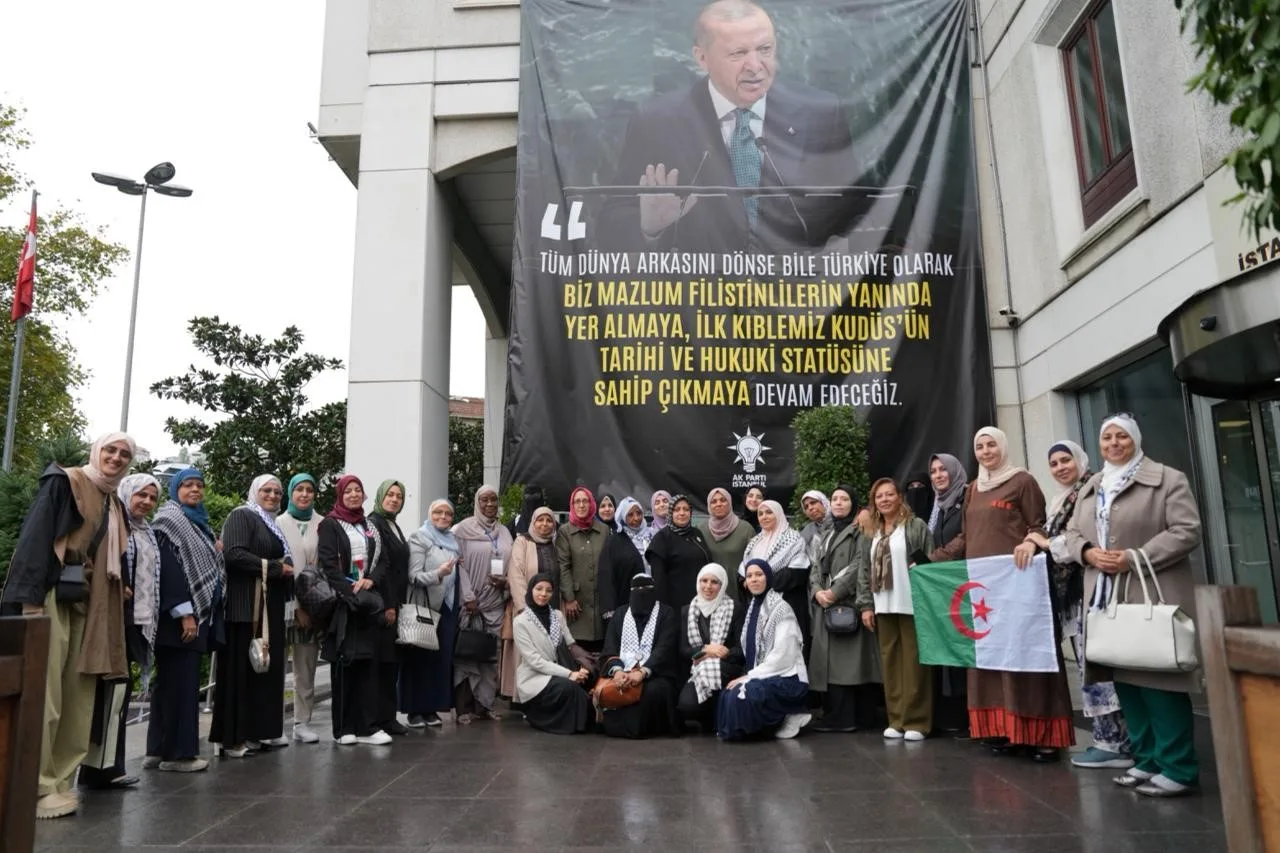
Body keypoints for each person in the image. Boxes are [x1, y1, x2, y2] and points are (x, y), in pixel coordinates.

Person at [599, 0, 857, 253]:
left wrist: (841, 240)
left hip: (795, 278)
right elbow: (611, 222)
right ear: (702, 58)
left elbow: (855, 209)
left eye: (764, 49)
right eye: (738, 53)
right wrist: (649, 227)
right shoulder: (658, 121)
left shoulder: (819, 113)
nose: (755, 66)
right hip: (701, 279)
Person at [1065, 415, 1203, 797]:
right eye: (1106, 437)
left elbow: (1187, 530)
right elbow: (1072, 531)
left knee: (1160, 682)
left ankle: (1178, 767)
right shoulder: (1094, 484)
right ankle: (1146, 760)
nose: (1113, 443)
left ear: (1136, 440)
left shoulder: (1167, 479)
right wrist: (1087, 552)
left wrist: (1135, 557)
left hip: (1151, 592)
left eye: (1121, 436)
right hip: (1106, 596)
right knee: (1125, 680)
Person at [1, 432, 134, 818]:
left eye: (124, 454)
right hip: (52, 595)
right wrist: (28, 604)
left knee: (79, 693)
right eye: (110, 449)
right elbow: (36, 538)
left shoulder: (114, 502)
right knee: (46, 692)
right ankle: (36, 787)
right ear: (97, 450)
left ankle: (59, 779)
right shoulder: (66, 481)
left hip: (92, 602)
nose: (116, 457)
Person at [932, 427, 1075, 761]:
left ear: (1003, 446)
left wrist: (1030, 542)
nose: (986, 451)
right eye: (979, 446)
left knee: (1029, 656)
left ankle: (1042, 735)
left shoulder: (1022, 481)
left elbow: (1039, 526)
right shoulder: (972, 489)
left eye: (991, 444)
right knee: (994, 658)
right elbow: (966, 537)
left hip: (1020, 586)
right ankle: (1009, 730)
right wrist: (930, 562)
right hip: (985, 590)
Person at [1023, 441, 1132, 770]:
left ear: (1080, 460)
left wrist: (1045, 542)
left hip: (1091, 591)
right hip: (1071, 596)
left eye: (1065, 460)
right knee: (1087, 667)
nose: (1060, 468)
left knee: (1097, 667)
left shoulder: (1092, 490)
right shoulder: (1063, 498)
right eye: (1053, 463)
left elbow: (1083, 539)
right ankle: (1107, 738)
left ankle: (1115, 742)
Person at [79, 473, 161, 790]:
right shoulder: (115, 523)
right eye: (141, 495)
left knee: (118, 695)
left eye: (152, 497)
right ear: (127, 493)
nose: (146, 502)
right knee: (108, 693)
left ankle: (107, 766)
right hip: (111, 618)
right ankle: (99, 768)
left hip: (134, 621)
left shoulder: (146, 531)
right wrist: (120, 586)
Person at [146, 468, 222, 773]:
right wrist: (185, 613)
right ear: (176, 489)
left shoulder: (198, 522)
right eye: (187, 485)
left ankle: (158, 749)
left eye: (199, 485)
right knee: (180, 684)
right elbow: (170, 569)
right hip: (179, 618)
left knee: (171, 683)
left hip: (189, 617)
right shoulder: (170, 520)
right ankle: (179, 755)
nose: (195, 490)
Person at [214, 474, 294, 757]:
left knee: (262, 671)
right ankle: (234, 738)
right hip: (245, 609)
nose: (272, 496)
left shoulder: (269, 522)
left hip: (267, 608)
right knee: (241, 673)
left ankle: (256, 733)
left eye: (277, 492)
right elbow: (234, 555)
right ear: (254, 492)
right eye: (266, 490)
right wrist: (276, 568)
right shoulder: (242, 516)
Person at [855, 479, 934, 740]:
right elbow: (864, 571)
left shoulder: (915, 526)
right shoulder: (872, 532)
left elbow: (928, 561)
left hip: (911, 603)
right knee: (890, 663)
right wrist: (866, 606)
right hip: (883, 605)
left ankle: (917, 722)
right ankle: (896, 719)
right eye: (879, 496)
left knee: (914, 664)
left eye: (889, 494)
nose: (885, 500)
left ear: (900, 497)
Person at [318, 475, 392, 745]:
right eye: (347, 491)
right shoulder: (330, 524)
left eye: (357, 490)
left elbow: (383, 561)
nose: (353, 495)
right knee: (346, 664)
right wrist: (351, 593)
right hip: (344, 604)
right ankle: (344, 728)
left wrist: (370, 581)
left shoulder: (369, 525)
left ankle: (368, 727)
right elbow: (328, 565)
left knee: (368, 666)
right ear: (340, 495)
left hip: (368, 604)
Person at [809, 484, 882, 733]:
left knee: (850, 667)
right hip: (827, 605)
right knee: (833, 666)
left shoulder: (861, 529)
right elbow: (816, 566)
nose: (838, 503)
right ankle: (836, 715)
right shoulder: (827, 532)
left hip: (848, 605)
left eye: (844, 499)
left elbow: (861, 564)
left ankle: (850, 718)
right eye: (835, 499)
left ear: (854, 504)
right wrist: (817, 591)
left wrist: (835, 591)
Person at [717, 558, 811, 740]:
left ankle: (790, 713)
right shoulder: (754, 608)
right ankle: (772, 723)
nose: (754, 579)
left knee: (743, 694)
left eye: (759, 574)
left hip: (787, 678)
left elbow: (783, 656)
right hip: (764, 674)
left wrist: (750, 676)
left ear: (768, 577)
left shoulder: (781, 609)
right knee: (729, 692)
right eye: (749, 576)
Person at [453, 485, 511, 722]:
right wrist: (468, 597)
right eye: (484, 500)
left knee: (490, 656)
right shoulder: (462, 530)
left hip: (495, 604)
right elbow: (457, 565)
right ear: (477, 502)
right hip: (471, 603)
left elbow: (512, 564)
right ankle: (463, 709)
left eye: (493, 500)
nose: (490, 504)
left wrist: (505, 583)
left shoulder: (504, 532)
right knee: (467, 655)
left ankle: (484, 705)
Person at [401, 498, 461, 727]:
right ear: (429, 514)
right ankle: (414, 711)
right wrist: (438, 573)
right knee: (419, 659)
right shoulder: (420, 537)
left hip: (447, 607)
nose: (443, 517)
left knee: (439, 660)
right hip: (425, 607)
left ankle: (431, 709)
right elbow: (413, 576)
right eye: (438, 512)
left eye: (448, 513)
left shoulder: (453, 541)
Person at [598, 575, 682, 738]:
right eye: (637, 590)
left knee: (651, 692)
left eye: (647, 590)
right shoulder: (620, 614)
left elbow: (664, 648)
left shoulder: (666, 613)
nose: (642, 593)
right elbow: (610, 647)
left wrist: (643, 672)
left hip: (655, 673)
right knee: (618, 688)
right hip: (622, 672)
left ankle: (636, 728)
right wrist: (618, 671)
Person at [275, 473, 323, 744]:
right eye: (299, 489)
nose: (304, 494)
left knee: (306, 667)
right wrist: (294, 605)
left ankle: (302, 722)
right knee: (277, 666)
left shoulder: (322, 523)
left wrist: (308, 606)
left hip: (312, 604)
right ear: (291, 493)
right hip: (282, 604)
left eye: (309, 490)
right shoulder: (277, 522)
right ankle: (274, 725)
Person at [514, 573, 594, 734]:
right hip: (536, 677)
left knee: (590, 677)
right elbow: (535, 661)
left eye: (548, 590)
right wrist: (570, 674)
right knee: (569, 687)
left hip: (562, 668)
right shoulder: (521, 622)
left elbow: (570, 645)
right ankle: (568, 723)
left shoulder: (557, 615)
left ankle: (586, 722)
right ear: (530, 590)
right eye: (539, 589)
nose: (543, 594)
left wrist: (585, 665)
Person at [927, 452, 969, 734]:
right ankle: (955, 715)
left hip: (966, 586)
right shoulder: (938, 505)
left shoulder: (967, 498)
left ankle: (971, 715)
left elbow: (966, 537)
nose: (939, 475)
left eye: (943, 469)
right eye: (934, 471)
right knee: (949, 649)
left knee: (966, 649)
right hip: (945, 587)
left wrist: (933, 559)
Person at [501, 506, 560, 699]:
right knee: (527, 654)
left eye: (549, 520)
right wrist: (526, 609)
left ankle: (546, 695)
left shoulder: (556, 544)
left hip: (551, 608)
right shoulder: (522, 542)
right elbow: (515, 574)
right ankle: (524, 697)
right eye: (540, 520)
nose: (544, 524)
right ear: (533, 522)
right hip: (527, 610)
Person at [677, 564, 745, 732]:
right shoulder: (687, 610)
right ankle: (711, 717)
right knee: (687, 705)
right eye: (704, 581)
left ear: (722, 585)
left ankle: (719, 717)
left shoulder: (735, 608)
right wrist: (706, 649)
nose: (708, 586)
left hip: (727, 667)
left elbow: (741, 649)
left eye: (714, 582)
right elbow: (684, 649)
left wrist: (724, 652)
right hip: (699, 669)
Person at [740, 500, 811, 655]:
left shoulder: (793, 539)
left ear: (778, 514)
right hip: (759, 604)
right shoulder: (755, 542)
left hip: (787, 601)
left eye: (769, 512)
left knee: (785, 650)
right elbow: (743, 571)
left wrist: (763, 582)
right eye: (760, 514)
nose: (764, 516)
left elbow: (797, 573)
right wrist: (749, 580)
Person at [368, 479, 410, 735]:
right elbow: (381, 568)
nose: (394, 499)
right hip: (384, 604)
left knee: (391, 662)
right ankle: (377, 719)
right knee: (381, 663)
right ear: (381, 496)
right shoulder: (374, 523)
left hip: (397, 602)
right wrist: (389, 605)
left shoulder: (393, 524)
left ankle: (388, 717)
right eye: (390, 495)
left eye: (399, 496)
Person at [557, 487, 610, 651]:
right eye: (577, 501)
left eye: (585, 501)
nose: (581, 505)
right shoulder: (565, 531)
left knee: (602, 647)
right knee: (579, 650)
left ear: (591, 503)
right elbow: (563, 565)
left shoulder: (604, 530)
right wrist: (569, 598)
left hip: (601, 600)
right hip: (577, 603)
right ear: (572, 505)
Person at [647, 494, 713, 611]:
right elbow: (659, 582)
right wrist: (665, 611)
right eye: (677, 510)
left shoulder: (696, 534)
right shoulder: (661, 539)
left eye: (686, 509)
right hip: (675, 606)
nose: (682, 513)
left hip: (701, 602)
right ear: (670, 513)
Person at [599, 496, 651, 623]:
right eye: (630, 515)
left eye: (639, 513)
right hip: (626, 604)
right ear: (622, 517)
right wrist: (610, 610)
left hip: (652, 600)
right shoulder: (614, 541)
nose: (636, 518)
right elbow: (607, 576)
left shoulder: (651, 536)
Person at [697, 488, 754, 603]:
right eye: (714, 501)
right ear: (709, 506)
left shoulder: (746, 529)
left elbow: (753, 562)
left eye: (723, 500)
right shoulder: (700, 529)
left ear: (730, 503)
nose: (718, 504)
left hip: (736, 593)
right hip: (708, 592)